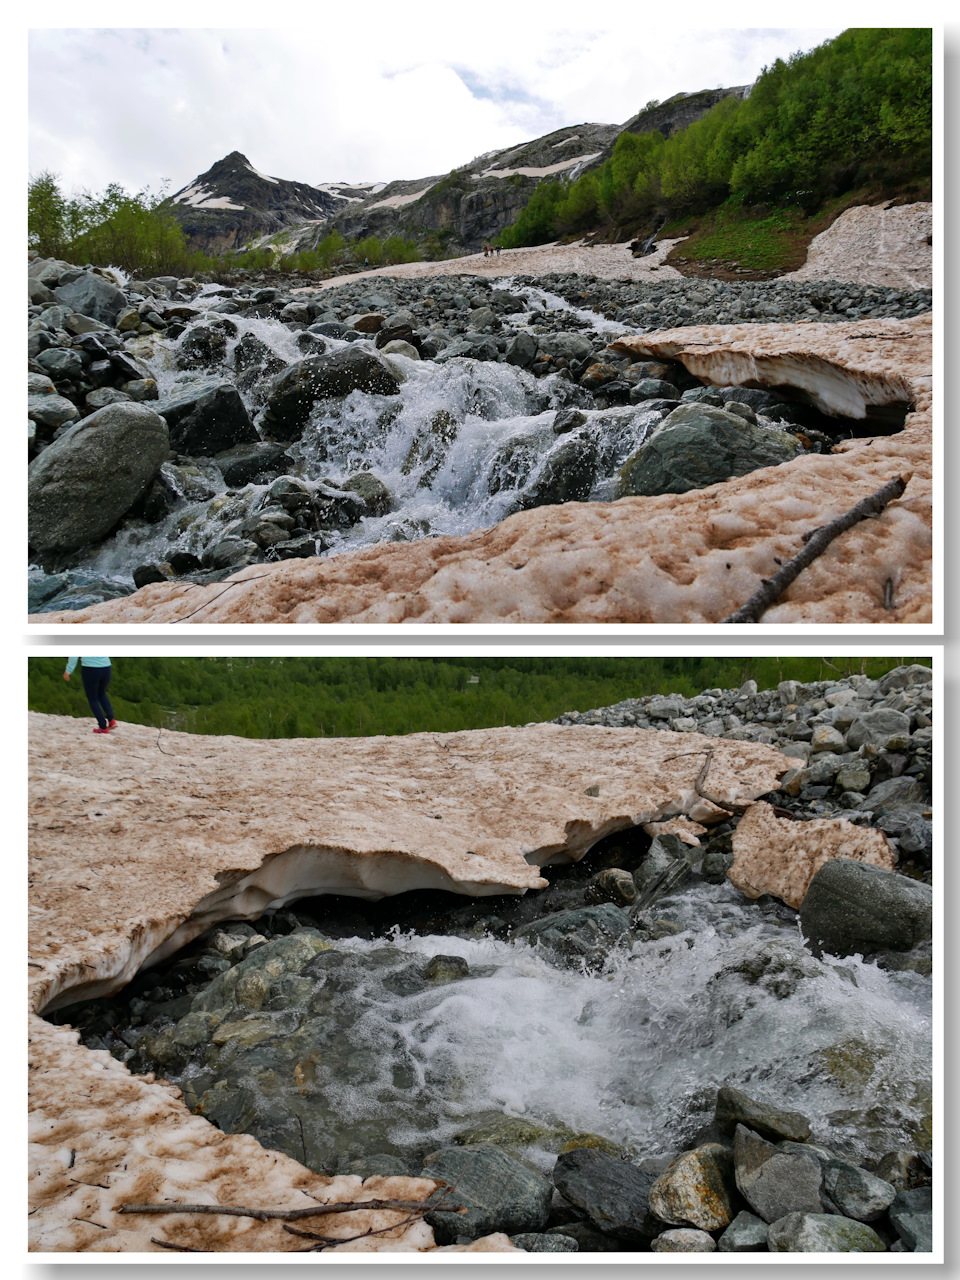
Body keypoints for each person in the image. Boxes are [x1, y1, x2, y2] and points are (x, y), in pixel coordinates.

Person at [64, 656, 116, 734]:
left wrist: (68, 671)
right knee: (101, 693)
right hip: (106, 667)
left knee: (92, 699)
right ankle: (111, 720)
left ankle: (103, 727)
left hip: (91, 669)